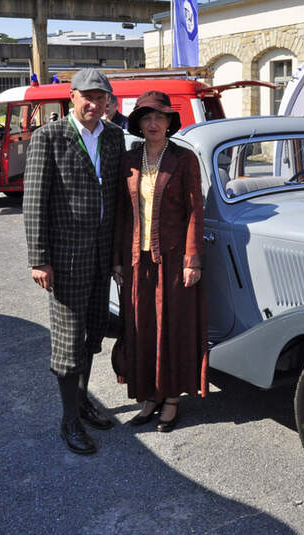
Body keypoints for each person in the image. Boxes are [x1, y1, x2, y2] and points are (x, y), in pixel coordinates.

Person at [23, 68, 126, 455]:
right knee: (68, 342)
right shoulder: (49, 136)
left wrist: (116, 255)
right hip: (65, 260)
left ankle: (82, 403)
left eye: (101, 98)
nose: (94, 103)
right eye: (88, 96)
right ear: (72, 95)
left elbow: (118, 199)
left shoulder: (114, 136)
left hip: (101, 257)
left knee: (94, 333)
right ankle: (68, 421)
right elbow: (34, 202)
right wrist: (39, 259)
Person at [112, 90, 207, 433]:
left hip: (173, 260)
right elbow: (123, 213)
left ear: (169, 123)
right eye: (147, 118)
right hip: (138, 260)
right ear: (139, 123)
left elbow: (196, 210)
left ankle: (171, 399)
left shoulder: (184, 159)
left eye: (160, 117)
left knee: (172, 329)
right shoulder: (129, 159)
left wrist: (192, 260)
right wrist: (119, 260)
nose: (153, 123)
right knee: (141, 329)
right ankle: (149, 396)